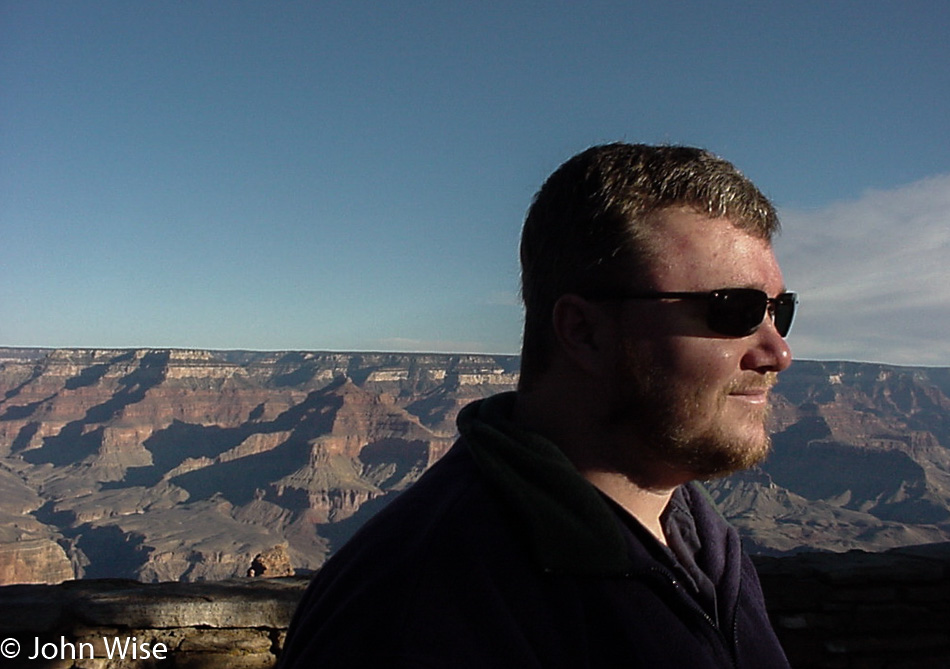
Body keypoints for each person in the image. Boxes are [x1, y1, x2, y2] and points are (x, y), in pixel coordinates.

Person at [278, 143, 794, 668]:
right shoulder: (422, 612)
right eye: (737, 309)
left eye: (780, 310)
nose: (779, 353)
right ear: (583, 331)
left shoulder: (706, 545)